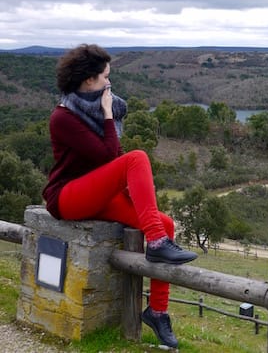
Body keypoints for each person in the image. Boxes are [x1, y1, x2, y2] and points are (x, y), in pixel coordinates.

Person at [42, 43, 196, 348]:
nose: (109, 84)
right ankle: (156, 242)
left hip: (97, 194)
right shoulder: (64, 117)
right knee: (138, 158)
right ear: (88, 80)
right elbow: (108, 155)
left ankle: (157, 312)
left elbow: (117, 160)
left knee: (163, 223)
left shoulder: (92, 108)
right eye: (105, 78)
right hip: (68, 197)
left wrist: (143, 207)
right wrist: (109, 114)